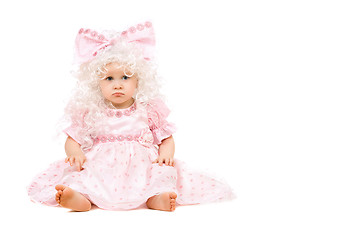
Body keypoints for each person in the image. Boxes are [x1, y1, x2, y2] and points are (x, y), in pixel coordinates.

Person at [27, 21, 234, 212]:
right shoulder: (91, 111)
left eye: (125, 77)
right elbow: (73, 138)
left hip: (141, 168)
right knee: (82, 177)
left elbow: (166, 137)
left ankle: (156, 198)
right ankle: (79, 199)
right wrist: (75, 153)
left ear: (138, 81)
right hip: (101, 168)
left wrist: (166, 154)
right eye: (109, 78)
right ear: (97, 84)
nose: (118, 84)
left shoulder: (148, 109)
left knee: (162, 174)